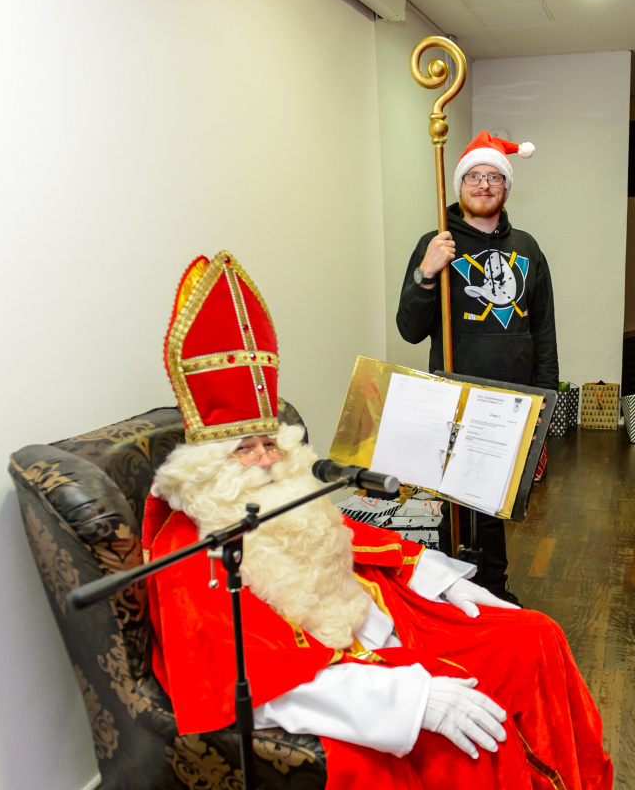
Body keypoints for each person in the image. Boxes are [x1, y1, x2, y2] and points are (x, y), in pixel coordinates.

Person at [145, 253, 611, 789]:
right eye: (245, 448)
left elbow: (352, 537)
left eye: (270, 442)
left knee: (534, 637)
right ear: (209, 463)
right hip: (346, 679)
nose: (268, 459)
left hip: (384, 615)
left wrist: (443, 582)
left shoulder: (284, 492)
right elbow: (258, 682)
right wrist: (411, 701)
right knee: (481, 740)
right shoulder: (190, 553)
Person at [396, 130, 559, 604]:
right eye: (473, 176)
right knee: (453, 502)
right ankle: (455, 591)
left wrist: (545, 402)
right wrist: (427, 273)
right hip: (454, 398)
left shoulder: (527, 248)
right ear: (459, 185)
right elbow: (409, 329)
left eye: (494, 177)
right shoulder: (437, 243)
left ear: (506, 187)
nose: (484, 184)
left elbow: (543, 330)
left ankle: (494, 589)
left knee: (493, 502)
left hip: (512, 401)